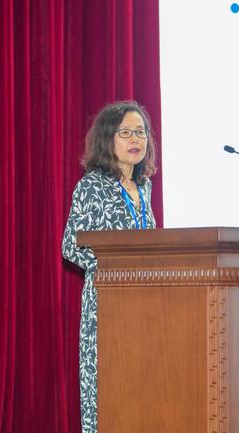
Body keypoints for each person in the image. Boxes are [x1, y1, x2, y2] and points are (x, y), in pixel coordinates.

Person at [62, 100, 157, 433]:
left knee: (141, 390)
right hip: (107, 304)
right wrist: (116, 270)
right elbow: (71, 245)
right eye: (126, 133)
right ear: (108, 138)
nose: (136, 139)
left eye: (141, 132)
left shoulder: (144, 187)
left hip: (145, 304)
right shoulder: (92, 185)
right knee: (106, 392)